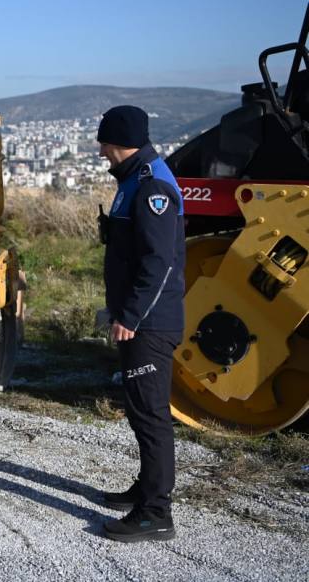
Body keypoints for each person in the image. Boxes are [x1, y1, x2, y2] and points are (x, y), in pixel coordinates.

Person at [96, 105, 185, 543]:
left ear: (117, 141)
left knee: (151, 415)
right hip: (139, 319)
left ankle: (156, 512)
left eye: (104, 143)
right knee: (139, 409)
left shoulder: (151, 186)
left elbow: (159, 260)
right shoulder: (134, 179)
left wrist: (130, 316)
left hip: (149, 323)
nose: (100, 152)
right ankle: (146, 489)